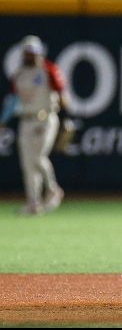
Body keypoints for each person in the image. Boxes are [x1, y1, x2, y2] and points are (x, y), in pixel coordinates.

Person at [0, 35, 69, 216]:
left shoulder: (49, 70)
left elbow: (63, 95)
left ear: (39, 53)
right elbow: (14, 101)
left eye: (33, 52)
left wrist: (67, 119)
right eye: (28, 52)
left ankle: (53, 189)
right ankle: (33, 203)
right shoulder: (20, 73)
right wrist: (3, 120)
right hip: (26, 120)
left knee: (38, 157)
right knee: (27, 164)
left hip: (45, 118)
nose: (30, 56)